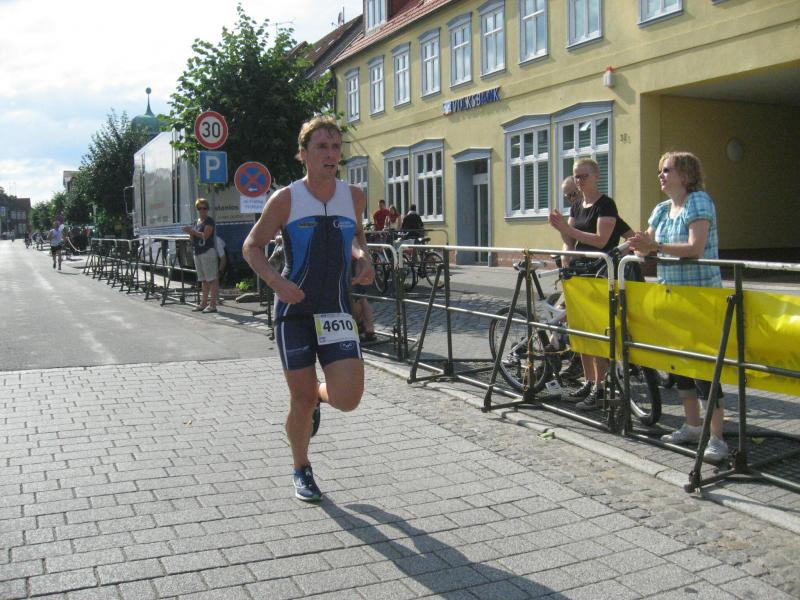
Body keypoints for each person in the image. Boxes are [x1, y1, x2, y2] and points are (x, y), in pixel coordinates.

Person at [242, 115, 374, 502]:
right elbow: (252, 246)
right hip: (295, 310)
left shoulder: (354, 196)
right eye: (321, 147)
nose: (331, 154)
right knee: (299, 400)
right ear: (303, 154)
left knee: (348, 398)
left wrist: (363, 257)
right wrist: (276, 282)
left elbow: (356, 236)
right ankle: (301, 467)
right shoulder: (286, 199)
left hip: (335, 309)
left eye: (335, 147)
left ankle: (318, 393)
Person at [628, 151, 727, 461]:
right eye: (660, 170)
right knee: (680, 366)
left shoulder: (699, 201)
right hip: (670, 296)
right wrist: (641, 246)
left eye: (667, 170)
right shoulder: (661, 209)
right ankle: (692, 426)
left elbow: (695, 247)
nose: (661, 175)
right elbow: (647, 250)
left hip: (699, 298)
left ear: (686, 174)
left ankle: (717, 439)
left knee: (704, 369)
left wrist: (654, 246)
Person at [548, 158, 627, 410]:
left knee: (596, 332)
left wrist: (568, 230)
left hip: (599, 274)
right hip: (579, 273)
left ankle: (600, 387)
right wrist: (562, 233)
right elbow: (569, 241)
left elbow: (601, 240)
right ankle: (589, 381)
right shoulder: (577, 206)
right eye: (576, 176)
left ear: (596, 176)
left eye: (584, 176)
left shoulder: (605, 204)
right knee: (580, 331)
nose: (580, 181)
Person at [182, 198, 218, 313]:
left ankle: (213, 304)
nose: (202, 210)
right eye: (199, 208)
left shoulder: (209, 221)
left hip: (207, 251)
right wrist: (190, 233)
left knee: (211, 279)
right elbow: (193, 239)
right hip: (197, 252)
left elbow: (205, 235)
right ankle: (203, 303)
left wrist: (192, 231)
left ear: (207, 209)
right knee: (203, 279)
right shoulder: (195, 222)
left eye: (204, 208)